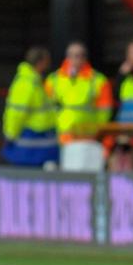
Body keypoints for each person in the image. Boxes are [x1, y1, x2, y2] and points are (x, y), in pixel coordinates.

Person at [45, 41, 113, 171]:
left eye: (80, 55)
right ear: (67, 57)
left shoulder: (98, 80)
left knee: (85, 175)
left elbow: (105, 111)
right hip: (60, 137)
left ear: (85, 57)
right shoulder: (53, 79)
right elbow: (47, 109)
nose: (76, 59)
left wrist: (95, 131)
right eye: (73, 55)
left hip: (87, 138)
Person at [2, 46, 58, 168]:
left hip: (39, 142)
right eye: (47, 60)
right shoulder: (26, 83)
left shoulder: (35, 81)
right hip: (29, 143)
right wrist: (10, 135)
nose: (49, 63)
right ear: (40, 62)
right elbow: (16, 113)